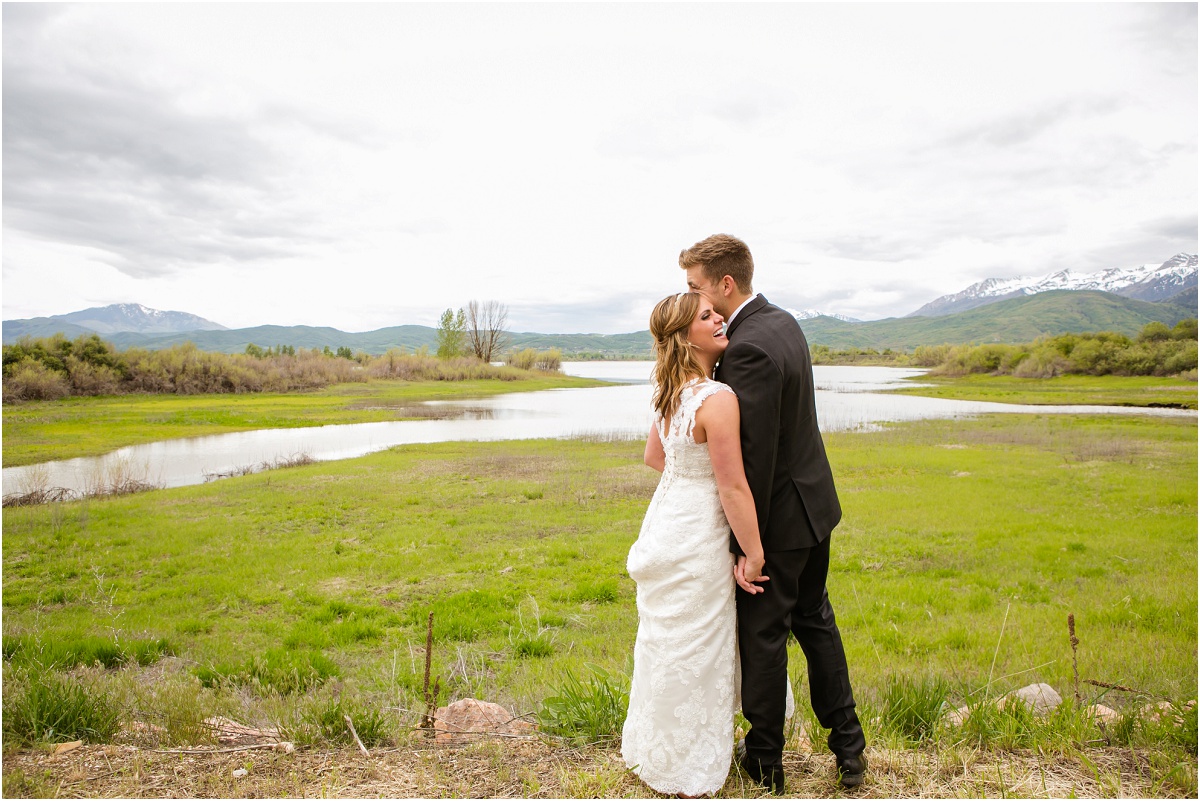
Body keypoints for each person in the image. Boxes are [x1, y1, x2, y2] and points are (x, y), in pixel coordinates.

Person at [681, 233, 867, 793]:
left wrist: (746, 548)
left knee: (763, 637)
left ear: (725, 283)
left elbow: (752, 460)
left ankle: (765, 761)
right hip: (816, 511)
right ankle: (850, 749)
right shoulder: (784, 322)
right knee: (817, 623)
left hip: (781, 525)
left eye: (696, 287)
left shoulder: (747, 349)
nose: (691, 298)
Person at [621, 291, 769, 798]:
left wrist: (689, 479)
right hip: (699, 535)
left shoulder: (669, 392)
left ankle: (654, 751)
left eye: (716, 311)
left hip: (666, 524)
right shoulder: (717, 397)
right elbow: (732, 486)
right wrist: (752, 551)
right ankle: (688, 767)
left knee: (667, 641)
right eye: (706, 317)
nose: (719, 318)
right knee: (698, 644)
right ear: (686, 337)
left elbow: (655, 458)